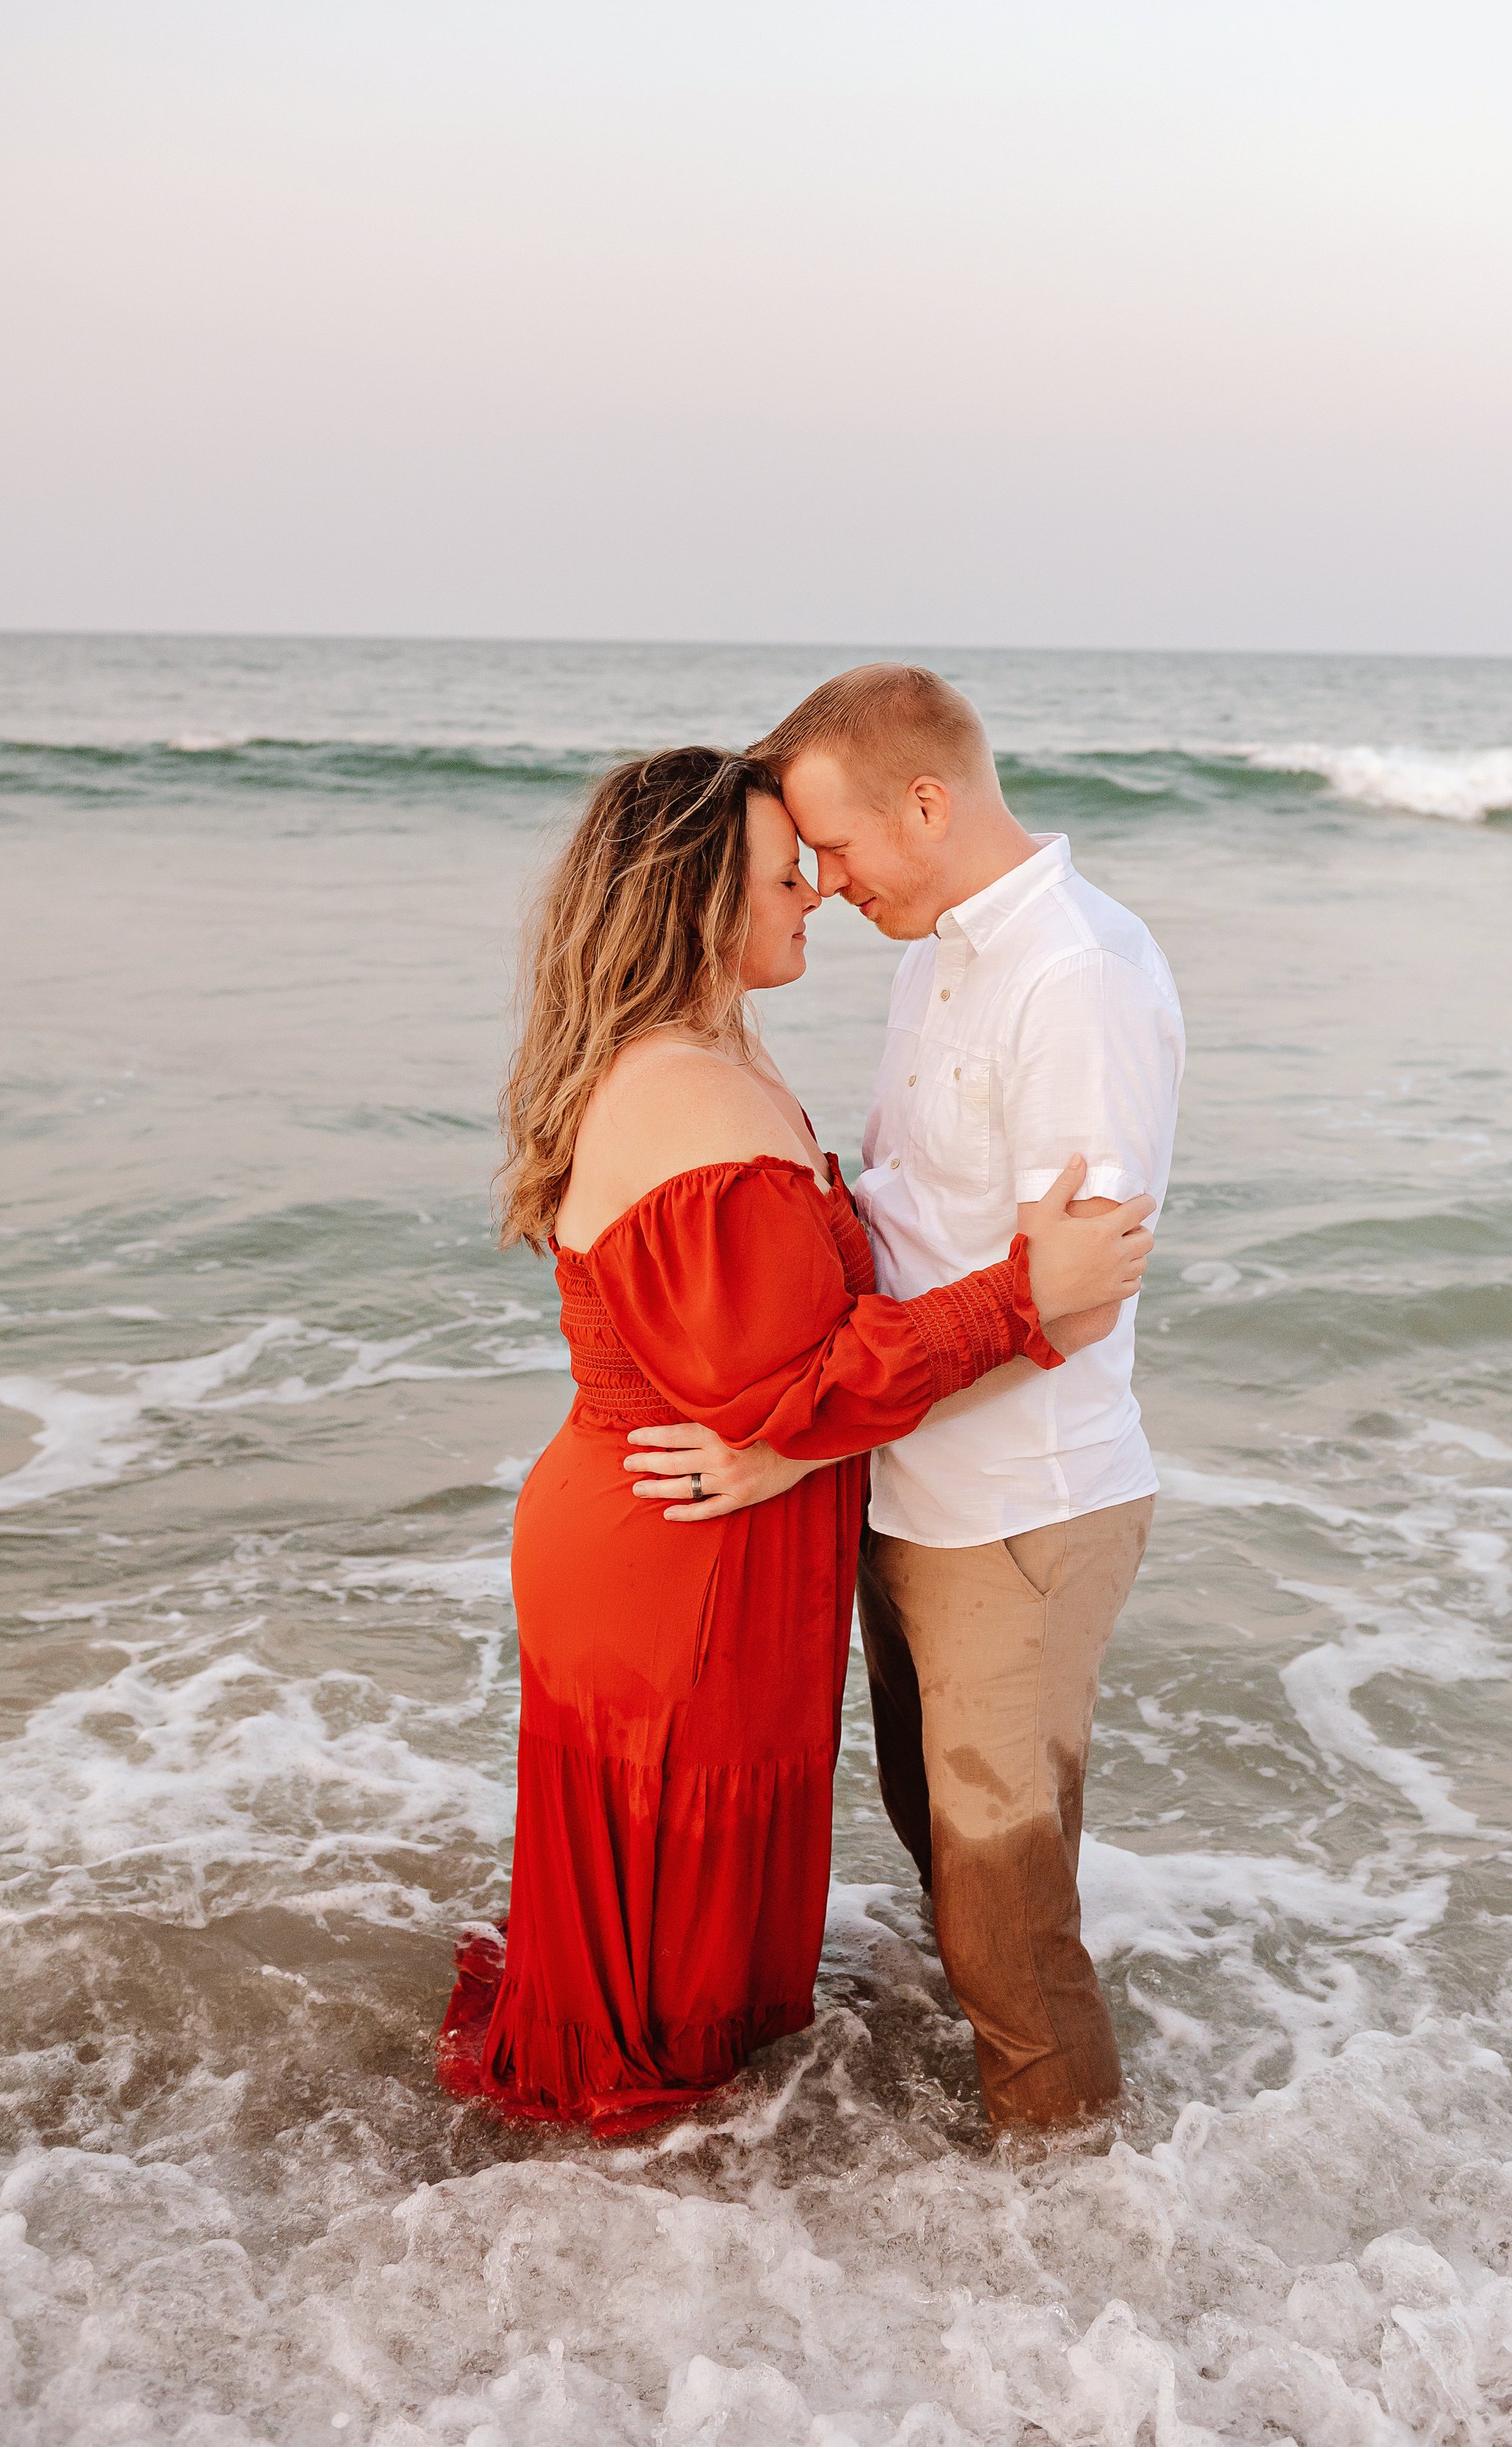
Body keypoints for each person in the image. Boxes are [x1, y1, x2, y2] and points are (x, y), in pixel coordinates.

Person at [437, 745, 1156, 2135]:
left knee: (690, 1939)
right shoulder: (682, 1091)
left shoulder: (712, 1053)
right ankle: (642, 2272)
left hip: (704, 1524)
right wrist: (1022, 1296)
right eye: (786, 873)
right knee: (655, 2025)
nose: (815, 892)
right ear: (705, 899)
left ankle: (728, 2214)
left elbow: (793, 1355)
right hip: (676, 1560)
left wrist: (795, 1442)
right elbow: (793, 1374)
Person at [648, 671, 1183, 2128]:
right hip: (908, 1481)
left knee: (1003, 1919)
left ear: (926, 806)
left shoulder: (1072, 976)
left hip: (1018, 1502)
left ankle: (1069, 2252)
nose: (819, 885)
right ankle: (1002, 2196)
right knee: (946, 1863)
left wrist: (778, 1449)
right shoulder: (931, 953)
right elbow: (908, 1231)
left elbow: (1068, 1293)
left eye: (832, 847)